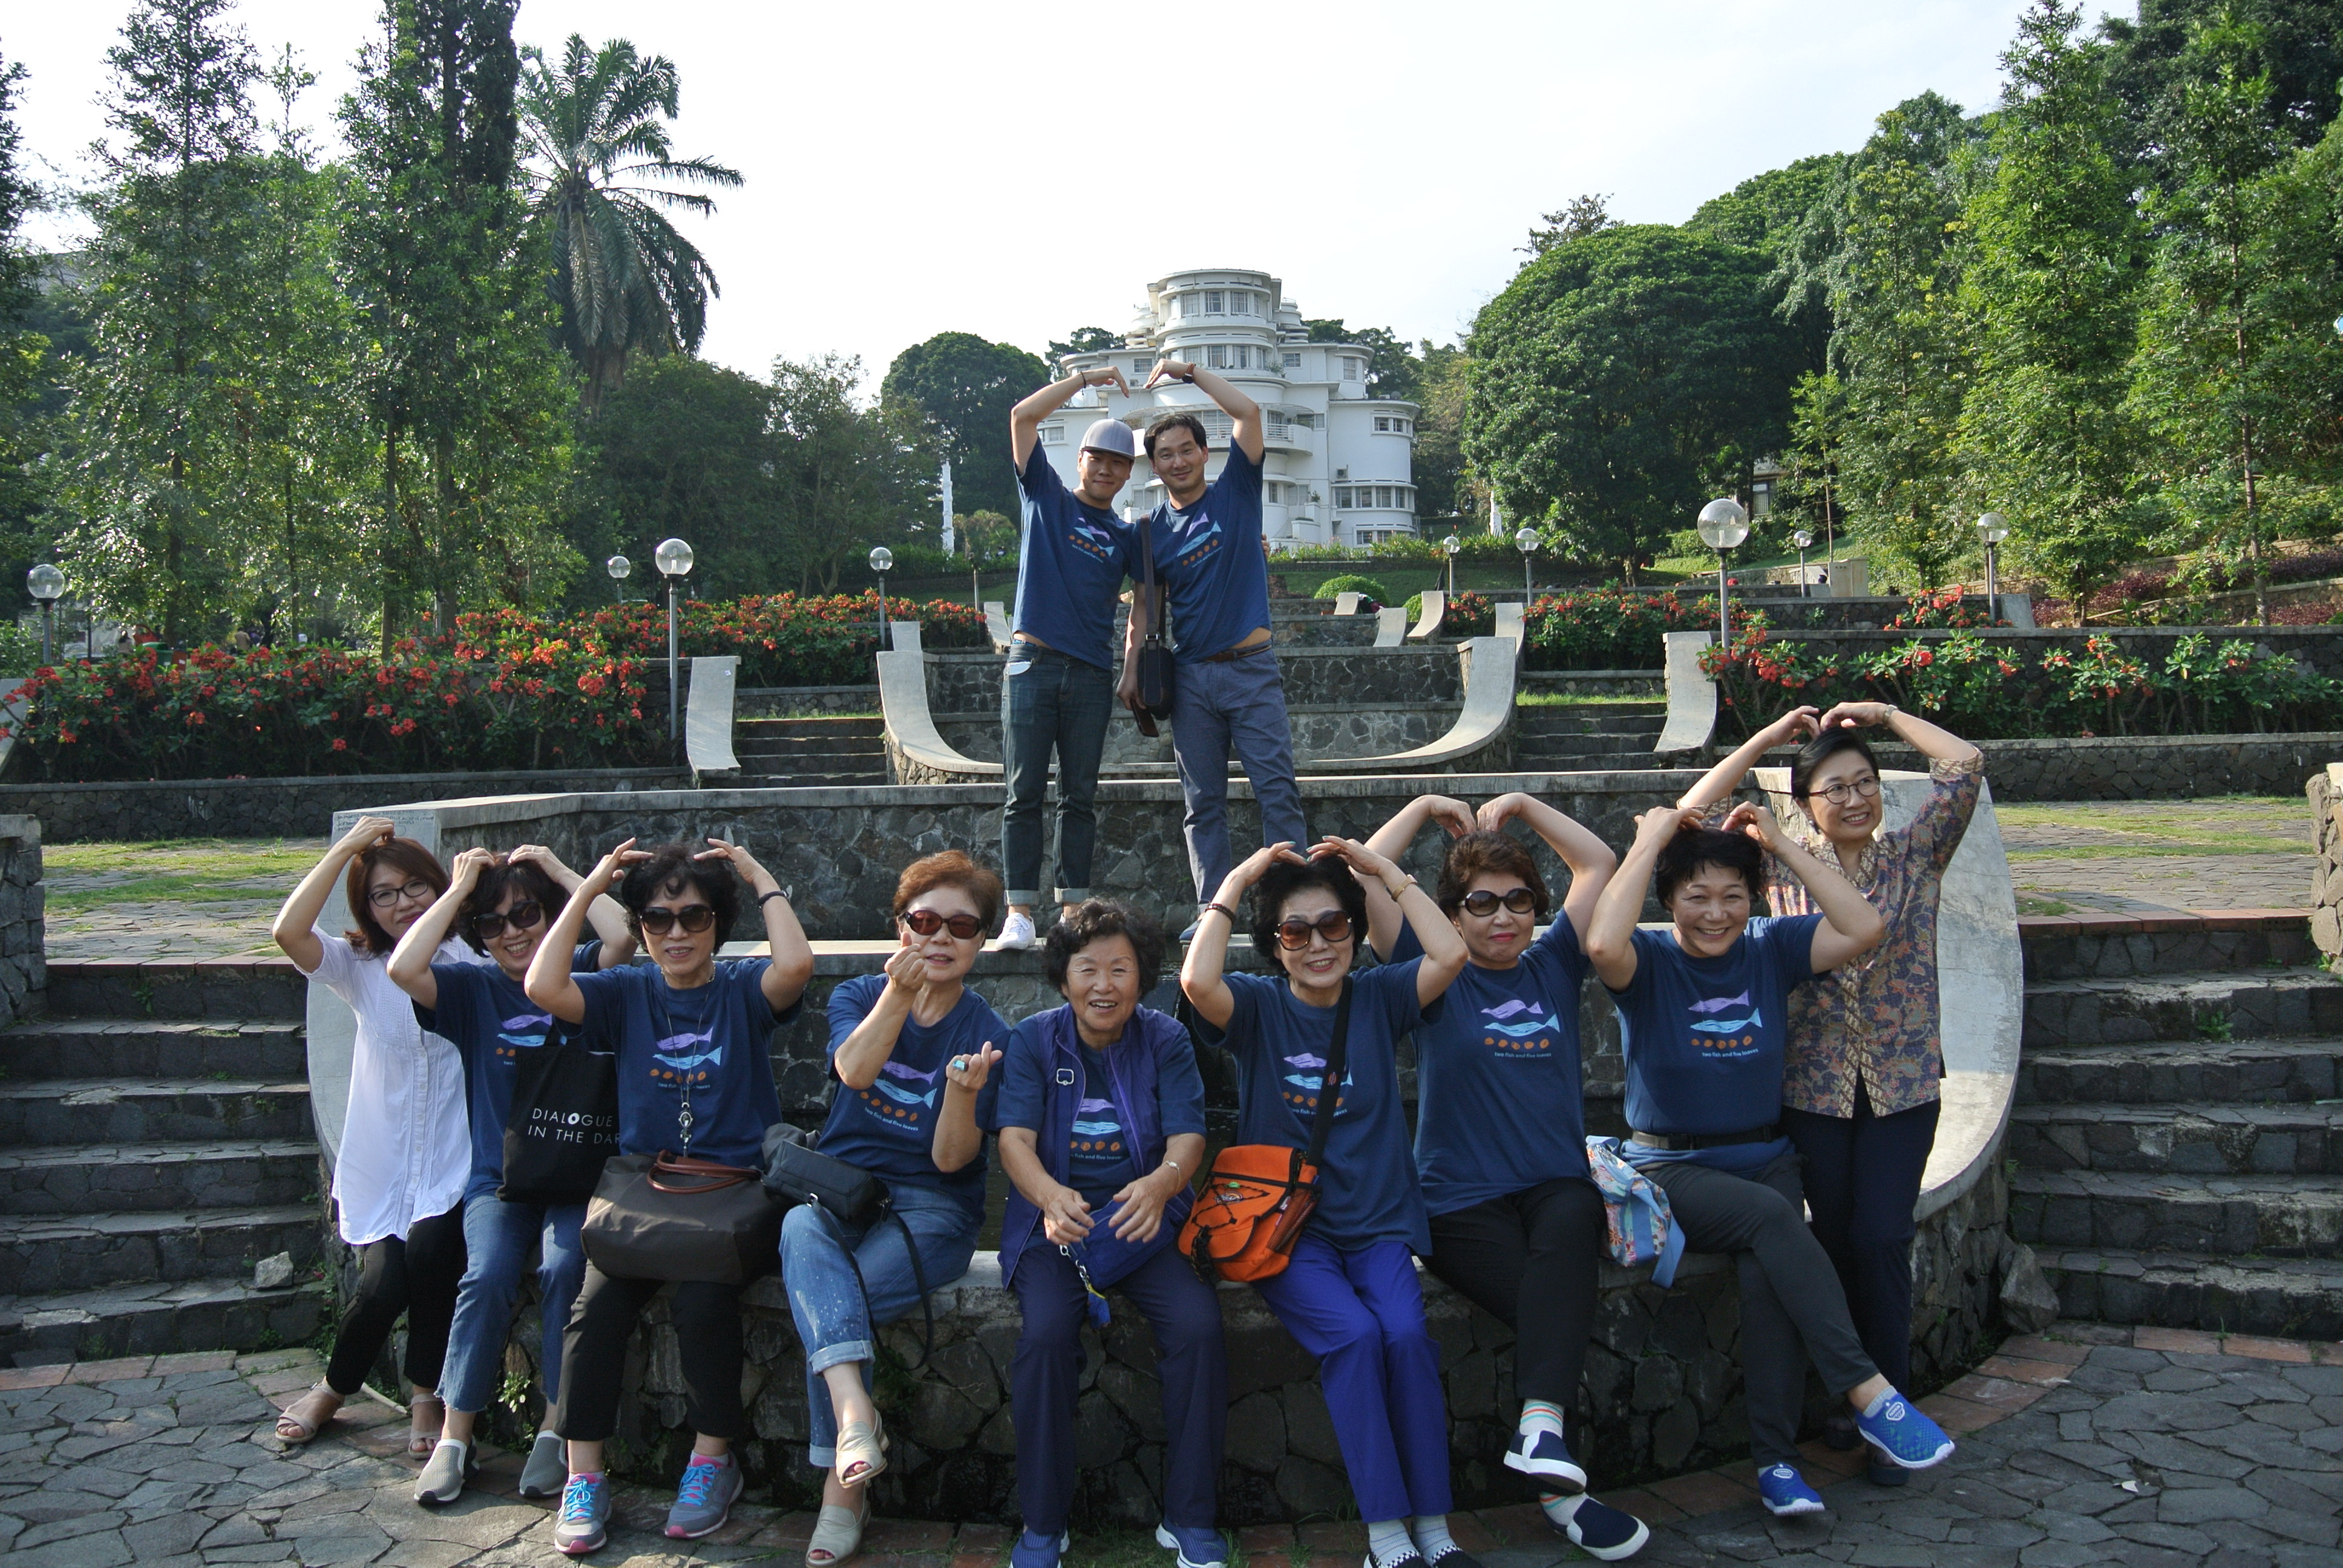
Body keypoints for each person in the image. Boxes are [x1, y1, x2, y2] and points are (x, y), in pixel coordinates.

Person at [1582, 806, 1956, 1518]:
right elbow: (1601, 941)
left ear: (1752, 898)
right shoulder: (1649, 962)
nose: (1715, 913)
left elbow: (1863, 926)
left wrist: (1781, 843)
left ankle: (1776, 1466)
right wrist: (1651, 837)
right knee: (1771, 1221)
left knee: (1769, 1289)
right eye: (1695, 896)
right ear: (1669, 899)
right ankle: (1870, 1393)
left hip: (1764, 1159)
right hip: (1673, 1167)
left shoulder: (1769, 948)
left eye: (1732, 895)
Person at [1677, 701, 1983, 1478]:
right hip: (1811, 1088)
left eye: (1864, 783)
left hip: (1902, 1085)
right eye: (1834, 789)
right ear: (1805, 801)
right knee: (1834, 1245)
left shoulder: (1916, 854)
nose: (1853, 799)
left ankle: (1890, 1412)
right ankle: (1852, 1401)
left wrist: (1883, 714)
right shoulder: (1775, 864)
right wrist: (1762, 741)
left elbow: (1963, 766)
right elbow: (1690, 819)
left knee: (1881, 1239)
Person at [1357, 794, 1647, 1562]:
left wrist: (1522, 806)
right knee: (1552, 1310)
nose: (1502, 917)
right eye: (1480, 903)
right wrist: (1422, 805)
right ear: (1451, 915)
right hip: (1457, 1202)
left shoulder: (1552, 966)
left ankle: (1545, 1447)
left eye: (1518, 900)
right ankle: (1564, 1495)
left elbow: (1598, 862)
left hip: (1551, 1185)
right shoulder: (1432, 975)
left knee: (1571, 1213)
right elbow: (1363, 876)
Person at [1181, 838, 1477, 1568]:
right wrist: (1238, 879)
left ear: (1353, 929)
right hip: (1289, 1234)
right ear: (1274, 946)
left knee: (1404, 1336)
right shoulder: (1256, 1008)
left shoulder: (1378, 997)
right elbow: (1195, 981)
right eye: (1295, 931)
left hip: (1376, 1226)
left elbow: (1449, 955)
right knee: (1353, 1336)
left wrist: (1385, 874)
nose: (1317, 944)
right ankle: (1385, 1534)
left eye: (1333, 925)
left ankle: (1434, 1527)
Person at [525, 837, 814, 1555]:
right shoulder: (624, 992)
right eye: (657, 918)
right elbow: (542, 986)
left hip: (729, 1194)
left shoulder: (741, 989)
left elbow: (795, 966)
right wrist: (588, 889)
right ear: (641, 927)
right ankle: (583, 1474)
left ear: (717, 923)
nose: (675, 932)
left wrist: (758, 874)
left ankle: (712, 1461)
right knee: (595, 1311)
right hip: (645, 1192)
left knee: (702, 1303)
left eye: (693, 916)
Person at [385, 844, 636, 1506]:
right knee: (487, 1271)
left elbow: (622, 937)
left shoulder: (580, 974)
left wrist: (559, 872)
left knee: (563, 1268)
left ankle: (555, 1429)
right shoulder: (471, 992)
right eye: (492, 923)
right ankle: (455, 1436)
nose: (512, 932)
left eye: (526, 914)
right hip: (498, 1180)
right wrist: (458, 889)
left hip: (576, 1178)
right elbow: (404, 966)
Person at [785, 851, 1012, 1568]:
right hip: (842, 1188)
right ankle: (857, 1418)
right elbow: (854, 1072)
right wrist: (896, 995)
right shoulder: (858, 994)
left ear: (981, 941)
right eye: (924, 921)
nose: (940, 937)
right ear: (900, 927)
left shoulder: (988, 1035)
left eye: (961, 926)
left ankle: (842, 1489)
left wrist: (964, 1095)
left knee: (833, 1301)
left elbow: (950, 1162)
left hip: (933, 1208)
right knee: (798, 1224)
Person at [989, 900, 1225, 1568]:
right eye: (1087, 969)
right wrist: (1048, 1196)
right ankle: (1043, 1524)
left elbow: (1188, 1135)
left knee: (1199, 1328)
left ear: (1141, 975)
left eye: (1120, 969)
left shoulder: (1166, 1039)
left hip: (1142, 1220)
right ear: (1062, 977)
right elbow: (1013, 1140)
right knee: (1044, 1337)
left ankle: (1189, 1516)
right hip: (1054, 1229)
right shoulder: (1033, 1040)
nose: (1104, 985)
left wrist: (1161, 1185)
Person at [267, 817, 476, 1457]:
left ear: (438, 886)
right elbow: (288, 933)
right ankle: (335, 1388)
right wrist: (346, 851)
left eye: (415, 887)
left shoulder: (473, 962)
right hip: (384, 1167)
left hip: (452, 1161)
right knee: (384, 1283)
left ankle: (425, 1393)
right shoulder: (357, 966)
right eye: (383, 894)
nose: (402, 903)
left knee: (435, 1253)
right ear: (367, 907)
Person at [1120, 361, 1305, 926]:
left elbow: (1248, 412)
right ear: (1154, 466)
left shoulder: (1238, 493)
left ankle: (1296, 905)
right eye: (1165, 455)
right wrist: (1130, 668)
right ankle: (1213, 911)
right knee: (1202, 804)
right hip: (1193, 679)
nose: (1177, 461)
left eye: (1186, 450)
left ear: (1206, 452)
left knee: (1276, 791)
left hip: (1252, 670)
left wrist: (1189, 372)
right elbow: (1145, 607)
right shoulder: (1150, 532)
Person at [998, 367, 1143, 950]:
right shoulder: (1045, 497)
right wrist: (1083, 379)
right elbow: (1022, 417)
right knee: (1024, 792)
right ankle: (1019, 912)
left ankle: (1072, 910)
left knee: (1079, 796)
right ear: (1080, 460)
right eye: (1097, 458)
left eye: (1118, 463)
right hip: (1032, 664)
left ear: (1129, 474)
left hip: (1089, 675)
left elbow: (1145, 603)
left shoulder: (1127, 537)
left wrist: (1132, 665)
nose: (1106, 469)